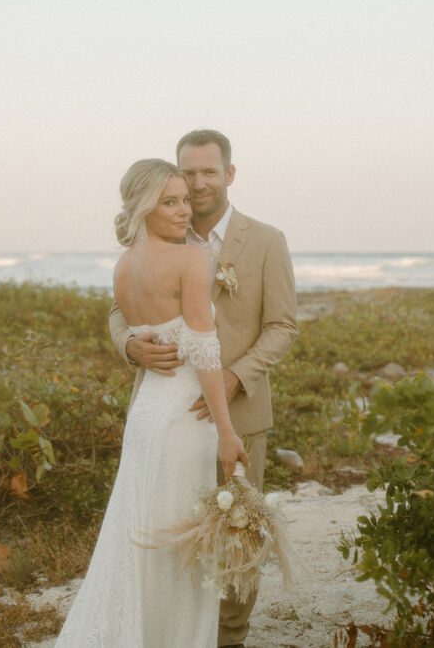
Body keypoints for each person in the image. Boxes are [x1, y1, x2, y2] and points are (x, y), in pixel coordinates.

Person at [110, 130, 299, 648]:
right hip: (171, 414)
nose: (196, 185)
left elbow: (283, 326)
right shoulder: (160, 237)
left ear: (229, 175)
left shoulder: (265, 241)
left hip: (238, 412)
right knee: (168, 541)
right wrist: (130, 346)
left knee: (236, 543)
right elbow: (118, 312)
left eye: (208, 172)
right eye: (187, 173)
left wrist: (235, 376)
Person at [55, 158, 249, 647]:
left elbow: (135, 326)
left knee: (140, 531)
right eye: (170, 202)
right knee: (178, 543)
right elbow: (205, 351)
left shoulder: (124, 265)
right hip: (184, 417)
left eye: (185, 200)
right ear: (144, 207)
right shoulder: (189, 260)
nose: (184, 211)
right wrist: (226, 431)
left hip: (144, 417)